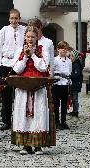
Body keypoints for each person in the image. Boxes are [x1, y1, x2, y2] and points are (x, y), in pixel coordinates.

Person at [11, 26, 49, 155]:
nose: (30, 39)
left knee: (38, 113)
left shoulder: (41, 50)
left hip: (37, 86)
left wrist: (33, 55)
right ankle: (26, 145)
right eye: (28, 36)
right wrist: (26, 57)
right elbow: (16, 69)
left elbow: (43, 67)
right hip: (23, 86)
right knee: (23, 114)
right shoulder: (19, 50)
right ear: (24, 37)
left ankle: (38, 145)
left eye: (33, 37)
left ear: (37, 37)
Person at [0, 8, 26, 130]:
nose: (14, 20)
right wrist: (0, 62)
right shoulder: (4, 30)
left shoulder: (23, 30)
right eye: (12, 18)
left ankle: (19, 120)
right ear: (9, 19)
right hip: (6, 63)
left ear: (19, 18)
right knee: (6, 94)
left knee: (19, 94)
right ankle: (6, 121)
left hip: (18, 63)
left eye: (16, 18)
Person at [27, 18, 56, 146]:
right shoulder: (26, 41)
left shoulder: (47, 42)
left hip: (43, 76)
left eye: (35, 29)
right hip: (28, 78)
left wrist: (51, 75)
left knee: (43, 109)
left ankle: (43, 138)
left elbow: (51, 62)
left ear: (40, 29)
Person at [52, 41, 72, 130]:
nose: (64, 50)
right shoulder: (54, 59)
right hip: (57, 84)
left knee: (64, 104)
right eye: (62, 48)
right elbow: (52, 71)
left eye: (66, 48)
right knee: (56, 104)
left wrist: (68, 80)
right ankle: (56, 121)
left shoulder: (69, 61)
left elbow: (69, 71)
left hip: (65, 84)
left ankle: (63, 121)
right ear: (58, 49)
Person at [68, 49, 83, 118]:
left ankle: (75, 111)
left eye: (71, 56)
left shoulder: (77, 64)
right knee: (73, 98)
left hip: (76, 84)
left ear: (75, 57)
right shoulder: (73, 64)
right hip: (73, 84)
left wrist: (69, 76)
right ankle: (74, 110)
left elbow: (76, 74)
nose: (70, 57)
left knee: (75, 99)